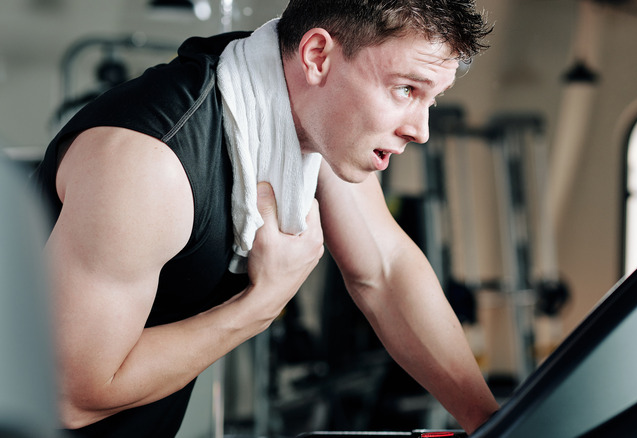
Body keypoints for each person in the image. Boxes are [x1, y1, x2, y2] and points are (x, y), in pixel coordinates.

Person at [31, 0, 499, 436]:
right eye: (405, 89)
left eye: (430, 99)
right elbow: (72, 394)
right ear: (317, 55)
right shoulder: (148, 165)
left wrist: (494, 423)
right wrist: (260, 305)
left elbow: (384, 269)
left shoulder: (303, 115)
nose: (420, 130)